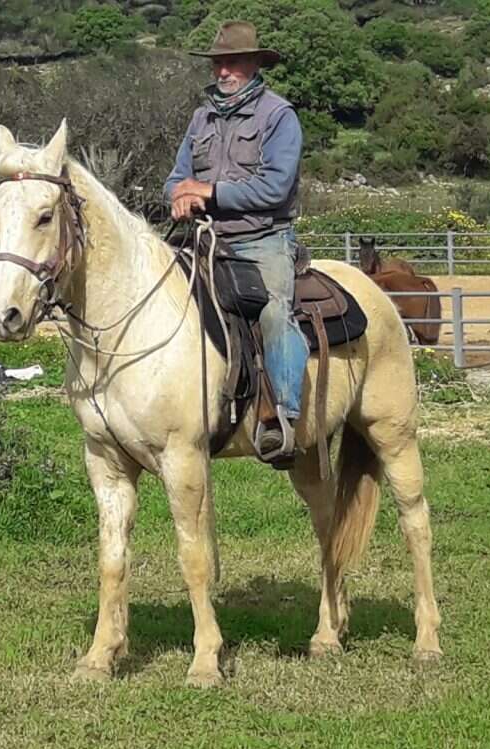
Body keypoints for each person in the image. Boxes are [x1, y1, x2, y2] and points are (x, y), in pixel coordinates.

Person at [164, 20, 309, 461]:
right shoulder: (201, 117)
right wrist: (178, 196)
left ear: (254, 64)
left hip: (261, 238)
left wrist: (207, 192)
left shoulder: (279, 116)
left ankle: (282, 417)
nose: (224, 72)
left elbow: (275, 188)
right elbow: (176, 176)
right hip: (205, 240)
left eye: (233, 63)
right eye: (218, 64)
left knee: (272, 312)